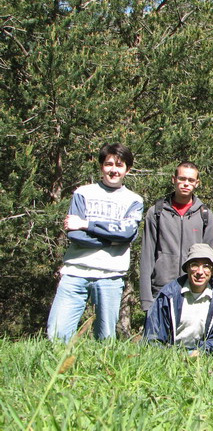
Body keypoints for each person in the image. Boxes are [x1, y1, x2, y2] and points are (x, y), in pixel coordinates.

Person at [47, 143, 143, 341]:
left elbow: (126, 233)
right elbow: (74, 235)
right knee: (57, 334)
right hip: (75, 272)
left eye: (119, 165)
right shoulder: (83, 193)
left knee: (105, 338)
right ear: (101, 166)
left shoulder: (134, 200)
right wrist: (112, 241)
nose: (113, 170)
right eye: (109, 164)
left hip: (111, 275)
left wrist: (86, 224)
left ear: (128, 170)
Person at [140, 161, 213, 312]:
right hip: (161, 289)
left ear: (197, 183)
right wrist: (146, 300)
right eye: (182, 179)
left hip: (195, 291)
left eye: (190, 180)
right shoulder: (156, 212)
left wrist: (212, 294)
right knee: (158, 336)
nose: (186, 184)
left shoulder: (205, 215)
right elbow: (147, 257)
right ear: (173, 180)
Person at [143, 244, 213, 354]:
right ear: (187, 268)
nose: (200, 272)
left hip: (205, 353)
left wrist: (201, 351)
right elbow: (153, 335)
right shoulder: (168, 295)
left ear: (212, 271)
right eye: (195, 265)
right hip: (172, 353)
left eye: (206, 266)